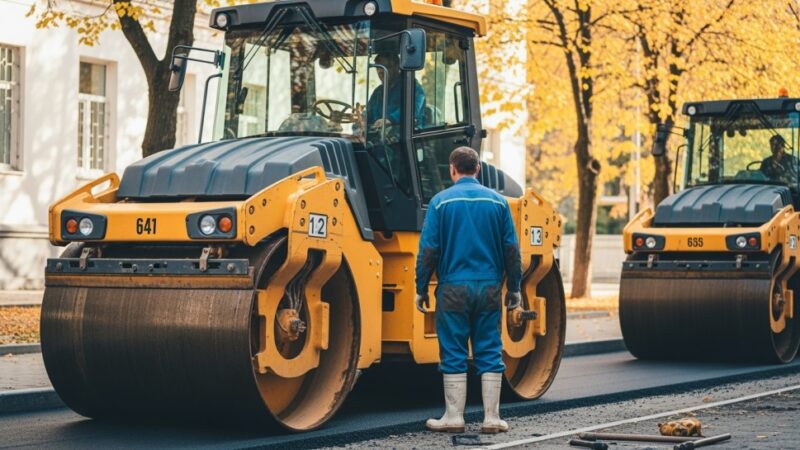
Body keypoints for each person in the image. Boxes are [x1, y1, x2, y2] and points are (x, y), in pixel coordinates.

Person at [415, 147, 522, 434]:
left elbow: (428, 250)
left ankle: (454, 417)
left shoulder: (439, 203)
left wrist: (421, 287)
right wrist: (515, 287)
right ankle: (491, 418)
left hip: (452, 289)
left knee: (453, 350)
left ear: (452, 169)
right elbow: (512, 250)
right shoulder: (499, 203)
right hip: (488, 288)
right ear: (478, 169)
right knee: (489, 350)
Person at [366, 51, 426, 131]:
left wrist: (390, 120)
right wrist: (362, 118)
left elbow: (412, 109)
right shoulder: (378, 91)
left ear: (397, 67)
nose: (380, 72)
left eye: (385, 67)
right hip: (380, 136)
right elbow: (370, 112)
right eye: (378, 68)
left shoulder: (412, 87)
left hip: (404, 136)